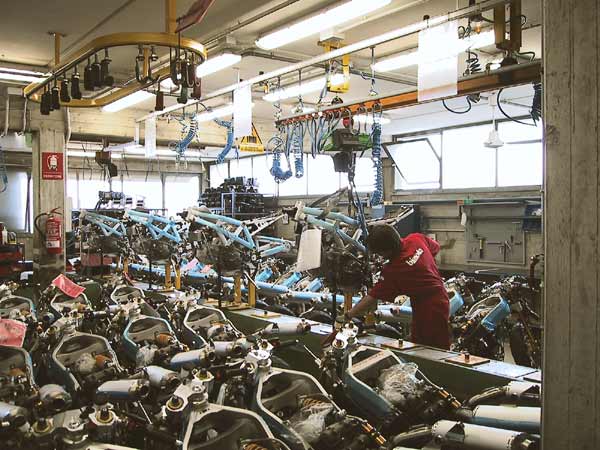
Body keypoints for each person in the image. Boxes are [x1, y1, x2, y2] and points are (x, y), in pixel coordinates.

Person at [345, 224, 451, 349]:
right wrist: (423, 267)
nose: (380, 256)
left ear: (387, 250)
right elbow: (435, 248)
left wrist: (348, 315)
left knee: (432, 348)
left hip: (429, 309)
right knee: (425, 341)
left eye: (379, 253)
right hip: (439, 298)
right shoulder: (416, 239)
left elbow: (372, 297)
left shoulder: (394, 270)